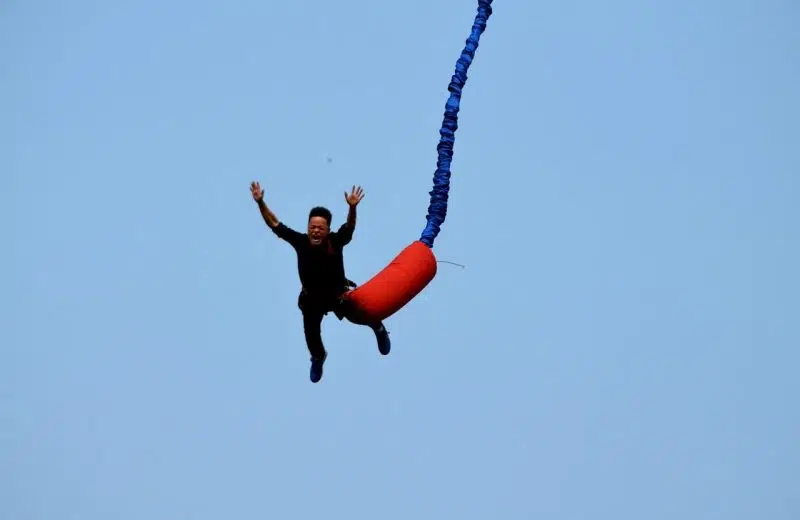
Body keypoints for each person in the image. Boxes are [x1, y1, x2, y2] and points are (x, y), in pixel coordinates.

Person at [250, 181, 391, 383]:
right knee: (311, 337)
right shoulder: (300, 241)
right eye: (312, 227)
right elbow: (274, 224)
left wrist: (352, 208)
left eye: (320, 228)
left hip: (338, 295)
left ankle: (378, 328)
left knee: (363, 310)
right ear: (308, 228)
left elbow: (350, 227)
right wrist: (260, 202)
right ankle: (318, 357)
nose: (315, 231)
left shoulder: (335, 241)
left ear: (327, 230)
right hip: (312, 300)